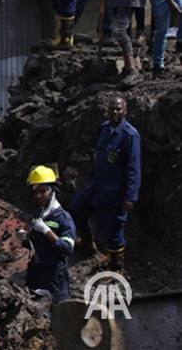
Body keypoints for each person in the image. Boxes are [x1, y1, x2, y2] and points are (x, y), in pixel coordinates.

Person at [67, 97, 140, 274]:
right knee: (76, 209)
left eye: (119, 109)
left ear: (125, 112)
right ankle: (87, 243)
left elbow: (134, 168)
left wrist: (131, 196)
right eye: (112, 109)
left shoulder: (130, 135)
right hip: (96, 187)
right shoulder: (104, 129)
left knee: (113, 232)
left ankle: (115, 270)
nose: (115, 112)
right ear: (107, 110)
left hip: (114, 194)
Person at [21, 166, 75, 304]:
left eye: (42, 191)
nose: (38, 196)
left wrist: (47, 231)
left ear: (52, 191)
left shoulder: (63, 218)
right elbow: (39, 243)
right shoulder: (38, 213)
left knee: (58, 309)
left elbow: (67, 248)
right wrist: (26, 239)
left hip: (54, 274)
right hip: (37, 269)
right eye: (35, 192)